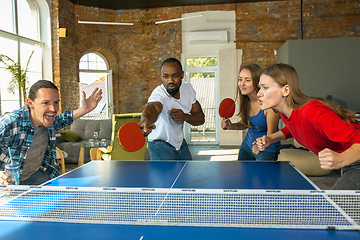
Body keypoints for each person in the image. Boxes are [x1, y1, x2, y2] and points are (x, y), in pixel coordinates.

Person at [252, 63, 360, 190]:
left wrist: (341, 158)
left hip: (356, 161)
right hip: (351, 162)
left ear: (286, 90)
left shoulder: (311, 112)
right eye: (260, 88)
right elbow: (293, 128)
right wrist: (271, 139)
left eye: (265, 87)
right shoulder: (286, 113)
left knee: (333, 206)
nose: (259, 93)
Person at [0, 80, 102, 185]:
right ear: (30, 103)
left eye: (56, 102)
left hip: (37, 176)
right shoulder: (9, 123)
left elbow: (64, 119)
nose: (53, 109)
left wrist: (84, 110)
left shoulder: (49, 121)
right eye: (45, 103)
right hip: (9, 183)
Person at [139, 58, 205, 160]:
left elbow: (200, 118)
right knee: (166, 176)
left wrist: (185, 117)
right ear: (161, 76)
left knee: (186, 175)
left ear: (182, 75)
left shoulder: (187, 89)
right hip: (160, 145)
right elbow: (152, 107)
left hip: (180, 144)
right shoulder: (158, 94)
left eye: (175, 75)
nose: (170, 81)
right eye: (166, 76)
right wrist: (146, 119)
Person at [221, 64, 281, 161]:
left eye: (247, 80)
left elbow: (271, 136)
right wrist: (230, 126)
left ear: (257, 82)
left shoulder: (269, 105)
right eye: (240, 79)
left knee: (263, 177)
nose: (242, 83)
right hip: (247, 145)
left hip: (266, 149)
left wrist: (259, 145)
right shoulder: (245, 101)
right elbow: (246, 124)